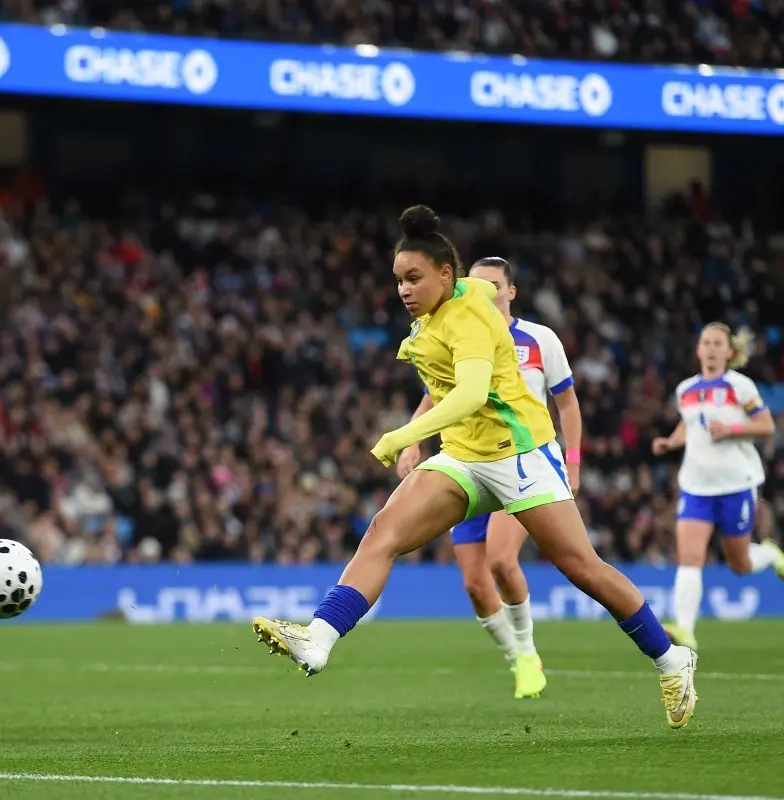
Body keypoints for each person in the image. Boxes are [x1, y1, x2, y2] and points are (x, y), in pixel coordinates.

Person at [251, 206, 699, 730]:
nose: (403, 290)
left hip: (521, 453)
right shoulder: (458, 295)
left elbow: (466, 394)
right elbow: (480, 294)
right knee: (383, 533)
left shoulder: (465, 317)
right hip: (464, 457)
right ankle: (318, 640)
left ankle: (672, 659)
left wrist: (402, 436)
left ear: (445, 275)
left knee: (582, 568)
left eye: (413, 277)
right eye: (398, 279)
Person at [395, 257, 582, 700]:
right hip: (467, 461)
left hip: (522, 462)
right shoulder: (457, 332)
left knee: (500, 560)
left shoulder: (539, 340)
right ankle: (517, 657)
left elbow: (568, 405)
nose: (483, 293)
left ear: (511, 291)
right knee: (476, 585)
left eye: (493, 286)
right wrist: (412, 439)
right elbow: (436, 394)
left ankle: (529, 650)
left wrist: (572, 462)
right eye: (474, 285)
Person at [653, 323, 782, 650]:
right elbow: (689, 423)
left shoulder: (740, 387)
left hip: (736, 485)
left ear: (729, 351)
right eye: (705, 343)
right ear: (698, 350)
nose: (710, 349)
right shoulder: (686, 390)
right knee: (689, 557)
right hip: (696, 487)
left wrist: (732, 429)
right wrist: (671, 442)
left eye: (717, 344)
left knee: (739, 564)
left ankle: (767, 553)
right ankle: (685, 631)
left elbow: (766, 424)